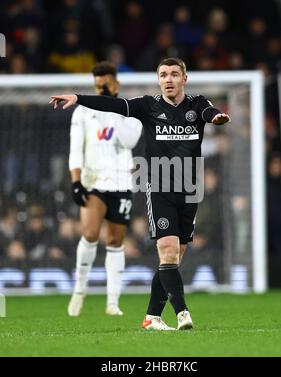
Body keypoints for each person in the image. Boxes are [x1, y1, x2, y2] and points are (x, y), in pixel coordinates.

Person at [50, 57, 230, 330]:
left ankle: (151, 317)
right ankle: (182, 313)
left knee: (175, 255)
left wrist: (216, 116)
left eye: (173, 74)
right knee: (167, 249)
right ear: (158, 80)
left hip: (190, 188)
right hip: (158, 185)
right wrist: (78, 97)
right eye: (163, 75)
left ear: (184, 78)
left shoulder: (197, 104)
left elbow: (208, 112)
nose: (168, 79)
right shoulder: (147, 106)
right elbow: (112, 105)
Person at [67, 61, 142, 316]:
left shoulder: (131, 111)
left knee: (115, 241)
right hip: (93, 182)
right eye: (98, 87)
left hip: (121, 182)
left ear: (116, 84)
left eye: (106, 85)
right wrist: (75, 181)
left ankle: (112, 302)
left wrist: (110, 109)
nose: (101, 90)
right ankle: (79, 289)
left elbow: (129, 140)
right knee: (89, 234)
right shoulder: (82, 113)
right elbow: (75, 150)